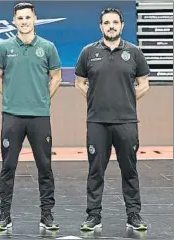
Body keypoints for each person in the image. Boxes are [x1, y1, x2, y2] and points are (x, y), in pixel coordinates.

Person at [74, 8, 150, 231]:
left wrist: (126, 97)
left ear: (122, 25)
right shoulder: (88, 52)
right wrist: (95, 97)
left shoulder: (134, 52)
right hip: (97, 121)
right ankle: (93, 216)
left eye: (115, 22)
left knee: (130, 170)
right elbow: (79, 82)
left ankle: (134, 215)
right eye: (106, 22)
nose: (111, 26)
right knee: (95, 171)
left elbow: (144, 82)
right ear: (100, 26)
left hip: (126, 121)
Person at [0, 2, 62, 231]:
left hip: (39, 117)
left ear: (35, 19)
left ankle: (47, 215)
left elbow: (56, 77)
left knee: (45, 167)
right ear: (14, 21)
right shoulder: (3, 47)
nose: (24, 21)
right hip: (12, 116)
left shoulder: (48, 47)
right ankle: (4, 215)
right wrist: (11, 97)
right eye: (20, 18)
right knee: (8, 166)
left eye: (27, 17)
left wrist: (42, 98)